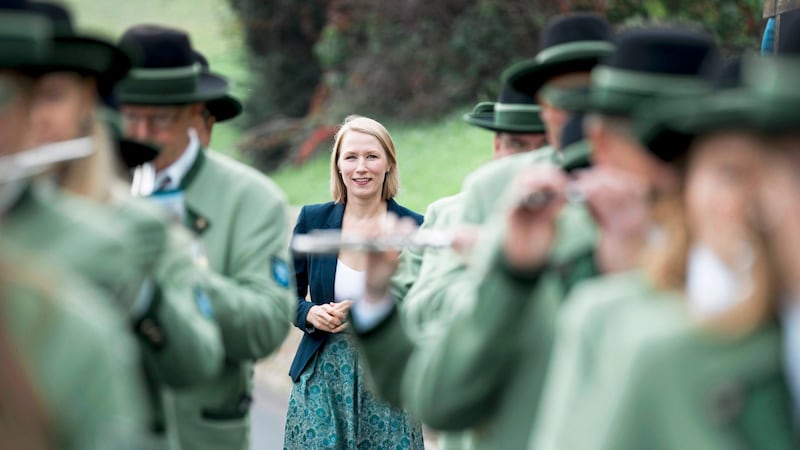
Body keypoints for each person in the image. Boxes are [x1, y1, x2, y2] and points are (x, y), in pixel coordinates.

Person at [116, 24, 295, 450]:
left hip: (197, 436)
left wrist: (173, 268)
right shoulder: (84, 183)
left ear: (197, 116)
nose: (139, 135)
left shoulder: (251, 198)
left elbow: (266, 326)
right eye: (129, 117)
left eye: (159, 119)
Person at [285, 115, 424, 449]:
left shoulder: (414, 227)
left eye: (372, 156)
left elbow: (425, 304)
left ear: (389, 163)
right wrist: (309, 313)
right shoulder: (312, 220)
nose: (361, 167)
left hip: (389, 376)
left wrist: (373, 311)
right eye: (351, 157)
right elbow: (281, 293)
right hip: (322, 378)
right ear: (338, 165)